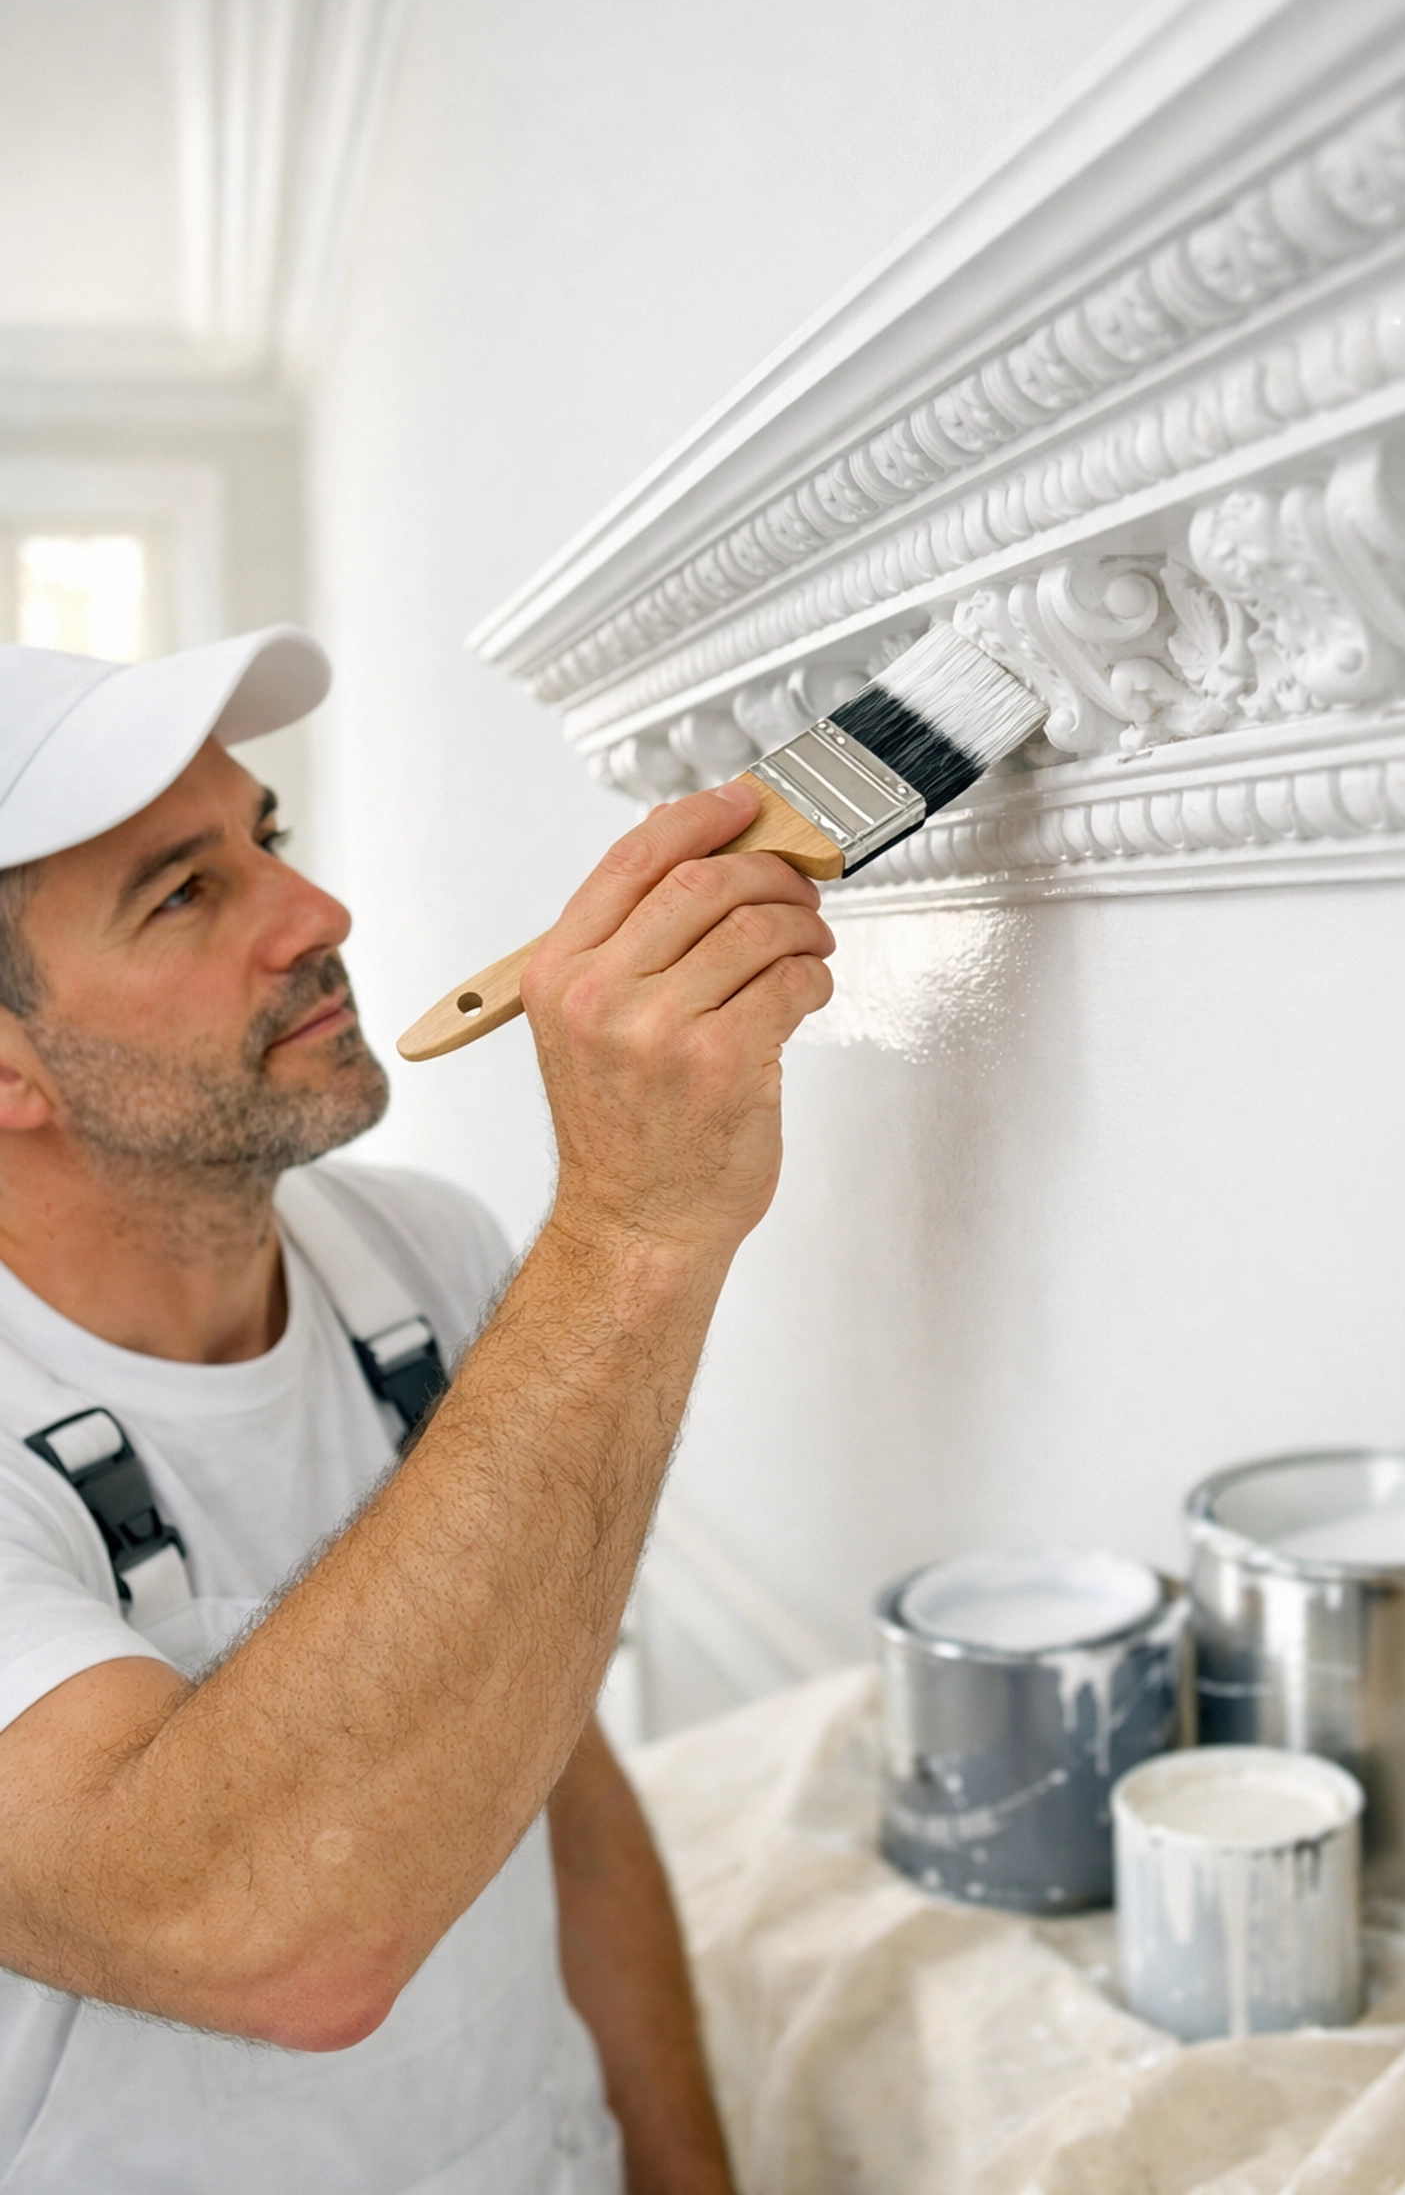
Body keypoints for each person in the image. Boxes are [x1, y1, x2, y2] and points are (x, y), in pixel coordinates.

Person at [0, 627, 835, 2194]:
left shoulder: (424, 1255)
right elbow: (258, 1934)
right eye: (185, 893)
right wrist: (634, 1232)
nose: (319, 917)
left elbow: (552, 1784)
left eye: (269, 843)